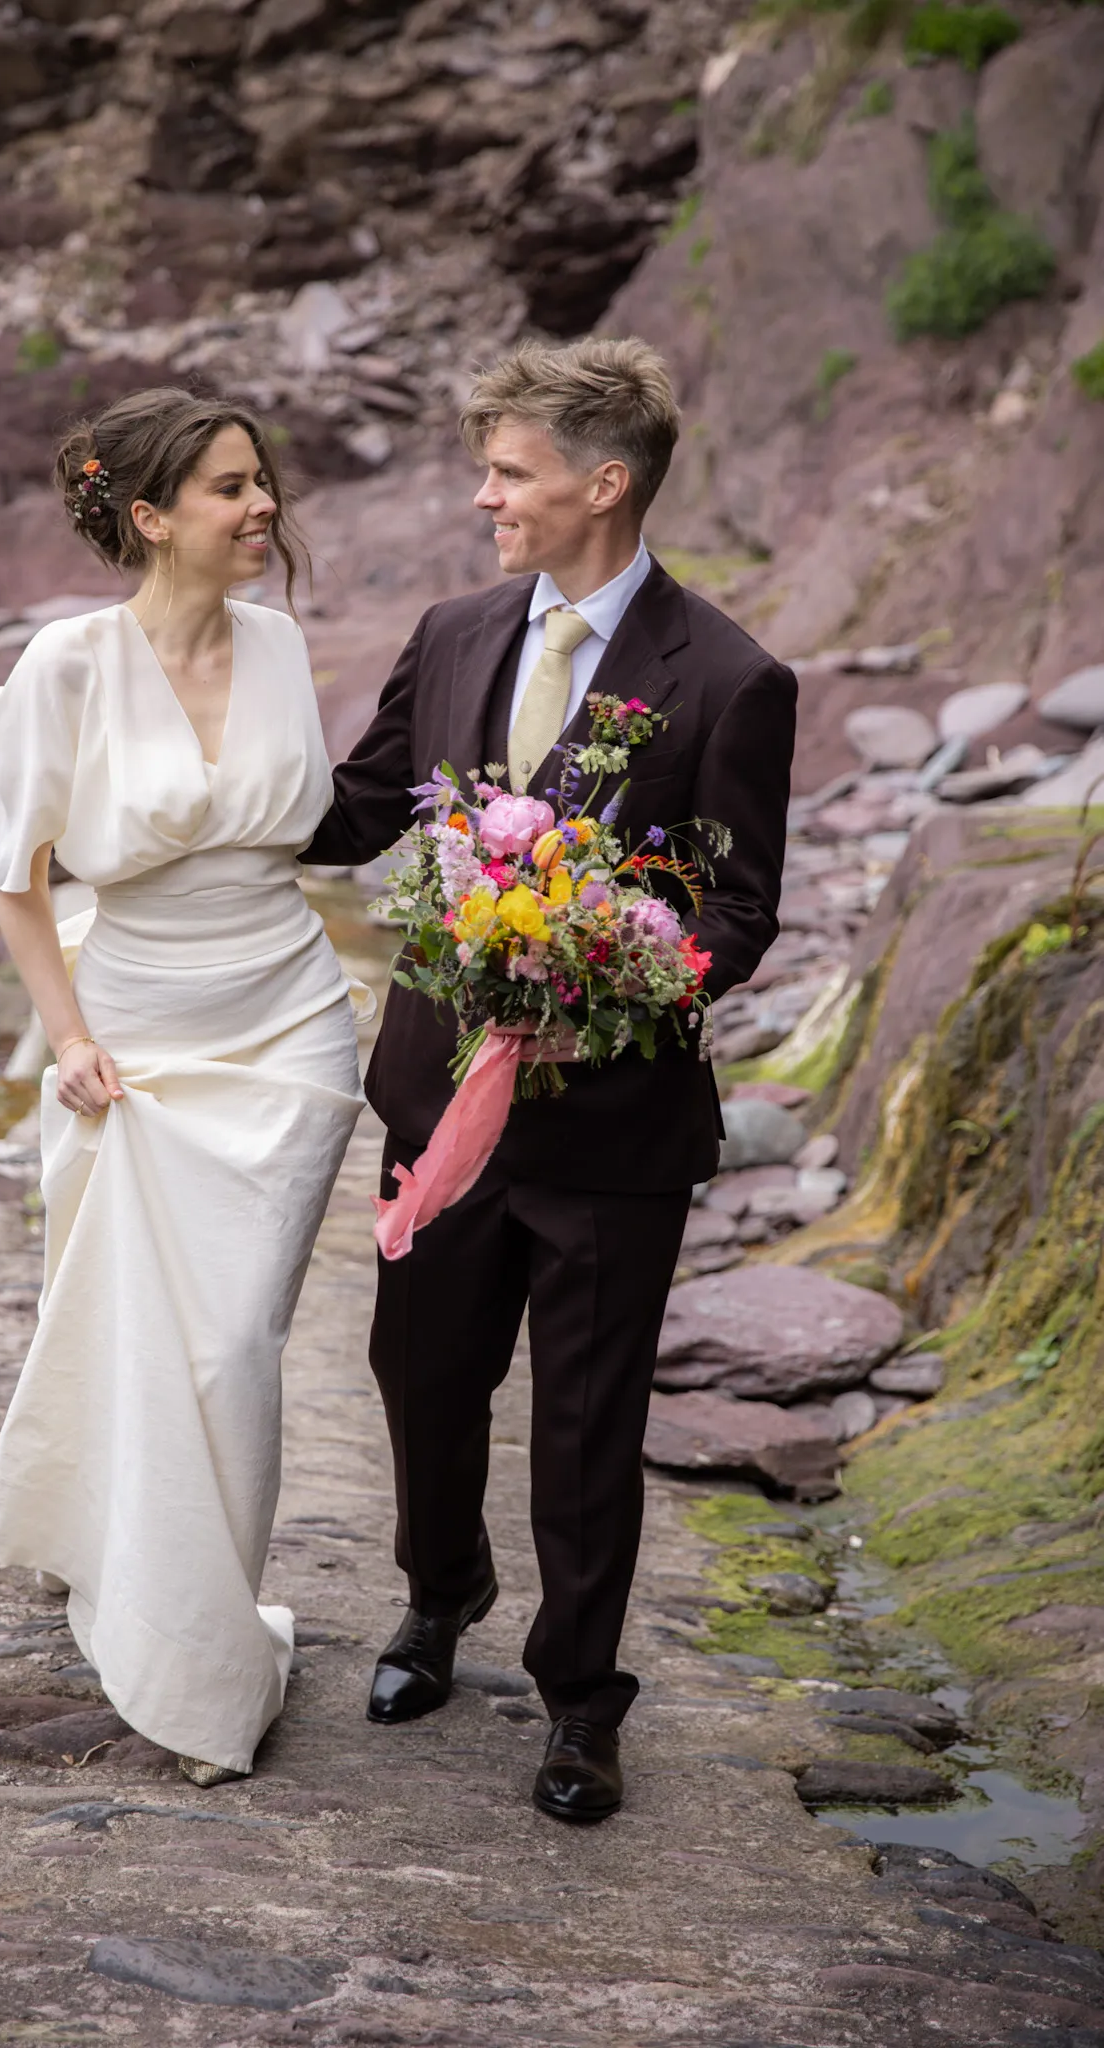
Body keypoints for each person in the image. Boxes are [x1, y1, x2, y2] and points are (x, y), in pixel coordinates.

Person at [301, 337, 797, 1825]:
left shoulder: (733, 678)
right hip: (436, 1097)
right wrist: (190, 792)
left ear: (606, 483)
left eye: (510, 473)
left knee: (585, 1426)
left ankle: (582, 1701)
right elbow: (360, 807)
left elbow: (738, 909)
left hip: (613, 1129)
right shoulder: (454, 631)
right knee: (418, 1375)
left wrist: (626, 992)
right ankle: (438, 1594)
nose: (485, 497)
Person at [0, 388, 366, 1787]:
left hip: (293, 1019)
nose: (264, 508)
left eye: (261, 482)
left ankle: (202, 1652)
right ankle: (178, 1630)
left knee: (236, 1342)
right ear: (150, 516)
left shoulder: (282, 642)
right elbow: (16, 877)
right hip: (133, 1035)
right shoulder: (65, 665)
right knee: (151, 1333)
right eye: (230, 488)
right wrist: (67, 1036)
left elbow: (312, 829)